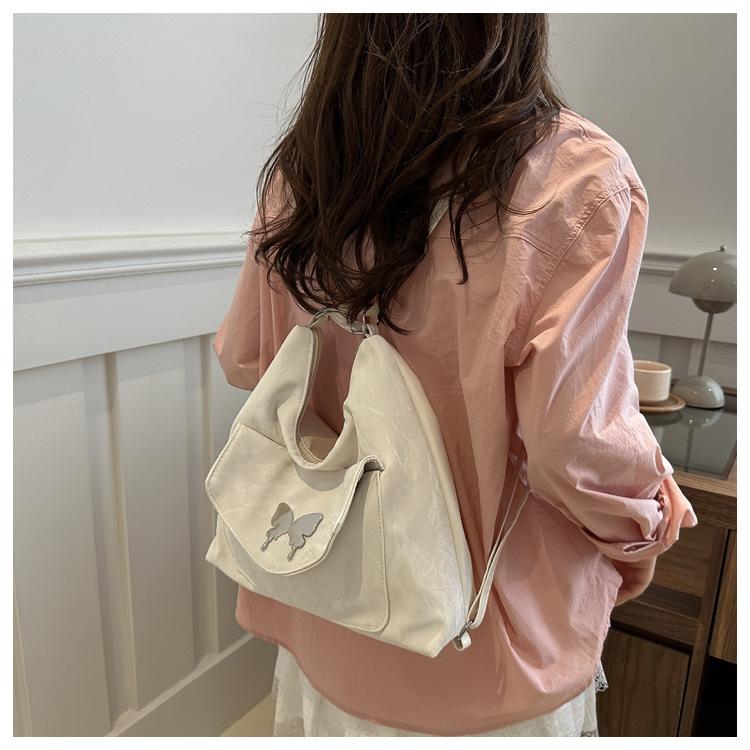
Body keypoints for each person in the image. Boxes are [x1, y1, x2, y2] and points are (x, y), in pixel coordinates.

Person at [212, 13, 698, 737]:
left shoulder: (304, 170)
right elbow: (575, 447)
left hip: (327, 606)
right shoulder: (572, 176)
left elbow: (245, 357)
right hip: (480, 647)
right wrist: (644, 527)